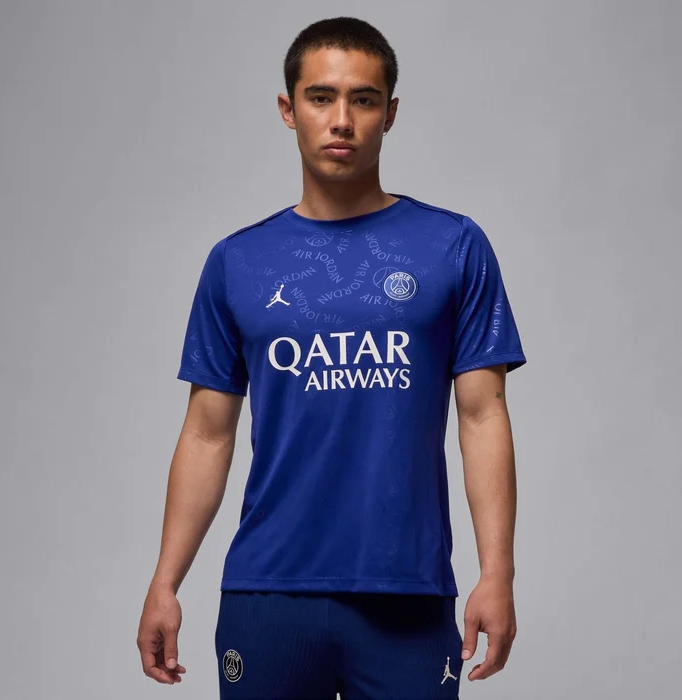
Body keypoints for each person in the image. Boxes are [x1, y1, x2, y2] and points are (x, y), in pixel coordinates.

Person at [136, 15, 527, 699]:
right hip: (268, 593)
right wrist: (165, 582)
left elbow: (483, 416)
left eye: (362, 99)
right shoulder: (237, 261)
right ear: (289, 109)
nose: (341, 120)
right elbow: (206, 432)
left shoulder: (452, 246)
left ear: (390, 114)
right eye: (321, 97)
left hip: (406, 593)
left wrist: (498, 572)